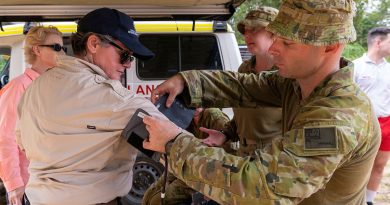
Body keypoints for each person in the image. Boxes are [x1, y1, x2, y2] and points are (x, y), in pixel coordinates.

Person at [143, 0, 381, 204]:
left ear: (330, 46)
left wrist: (173, 143)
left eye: (288, 43)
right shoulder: (297, 84)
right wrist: (188, 81)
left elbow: (263, 188)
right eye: (277, 38)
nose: (275, 48)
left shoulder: (340, 116)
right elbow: (243, 85)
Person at [15, 8, 167, 205]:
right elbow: (172, 142)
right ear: (94, 43)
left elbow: (22, 142)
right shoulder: (114, 99)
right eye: (125, 55)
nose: (128, 64)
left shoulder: (33, 88)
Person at [203, 6, 281, 157]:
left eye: (255, 29)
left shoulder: (288, 74)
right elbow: (242, 117)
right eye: (245, 30)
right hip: (245, 156)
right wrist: (225, 134)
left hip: (274, 160)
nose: (247, 35)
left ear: (275, 33)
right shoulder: (245, 69)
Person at [0, 26, 64, 205]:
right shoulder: (17, 88)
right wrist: (13, 185)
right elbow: (5, 139)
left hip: (52, 184)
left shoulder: (53, 86)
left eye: (63, 48)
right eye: (57, 47)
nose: (62, 52)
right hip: (28, 186)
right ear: (37, 49)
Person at [142, 108, 229, 205]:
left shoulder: (212, 116)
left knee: (160, 200)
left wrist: (215, 185)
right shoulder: (184, 117)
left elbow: (232, 152)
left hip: (205, 171)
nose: (195, 107)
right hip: (185, 164)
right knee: (149, 196)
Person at [353, 27, 390, 205]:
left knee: (379, 164)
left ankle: (369, 201)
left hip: (386, 123)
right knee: (358, 166)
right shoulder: (355, 66)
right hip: (361, 124)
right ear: (378, 42)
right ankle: (354, 198)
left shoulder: (389, 69)